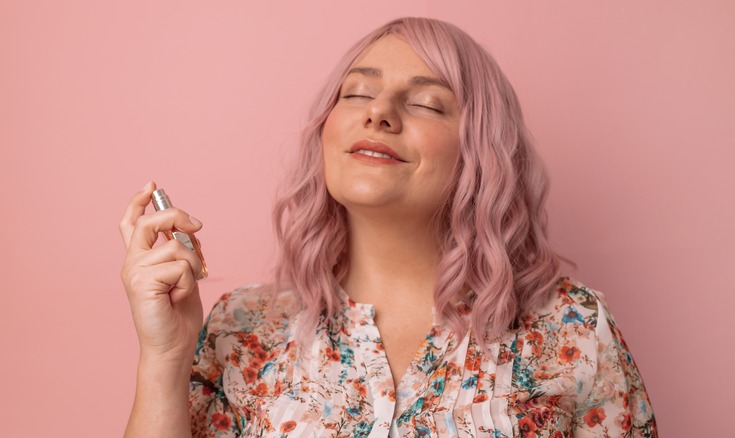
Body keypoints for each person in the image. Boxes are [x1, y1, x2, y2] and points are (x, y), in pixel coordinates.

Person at [120, 17, 657, 437]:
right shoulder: (242, 327)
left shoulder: (573, 327)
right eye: (356, 93)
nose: (378, 112)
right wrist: (166, 357)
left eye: (426, 103)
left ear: (481, 155)